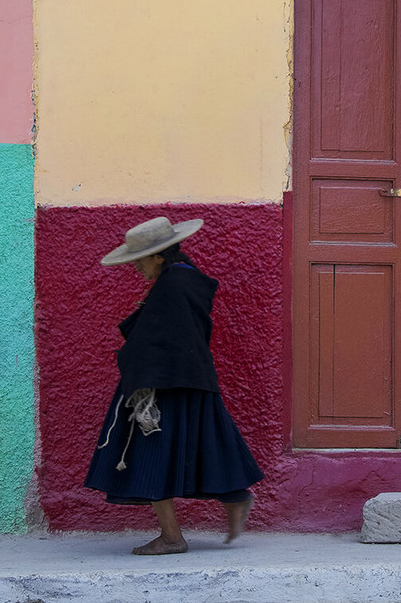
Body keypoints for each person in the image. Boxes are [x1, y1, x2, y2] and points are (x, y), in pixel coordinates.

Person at [84, 216, 263, 555]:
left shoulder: (171, 287)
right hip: (192, 379)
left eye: (139, 260)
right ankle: (236, 498)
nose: (137, 268)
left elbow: (155, 341)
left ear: (158, 256)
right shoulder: (187, 280)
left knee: (149, 453)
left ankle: (171, 536)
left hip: (160, 386)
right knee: (208, 443)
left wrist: (137, 384)